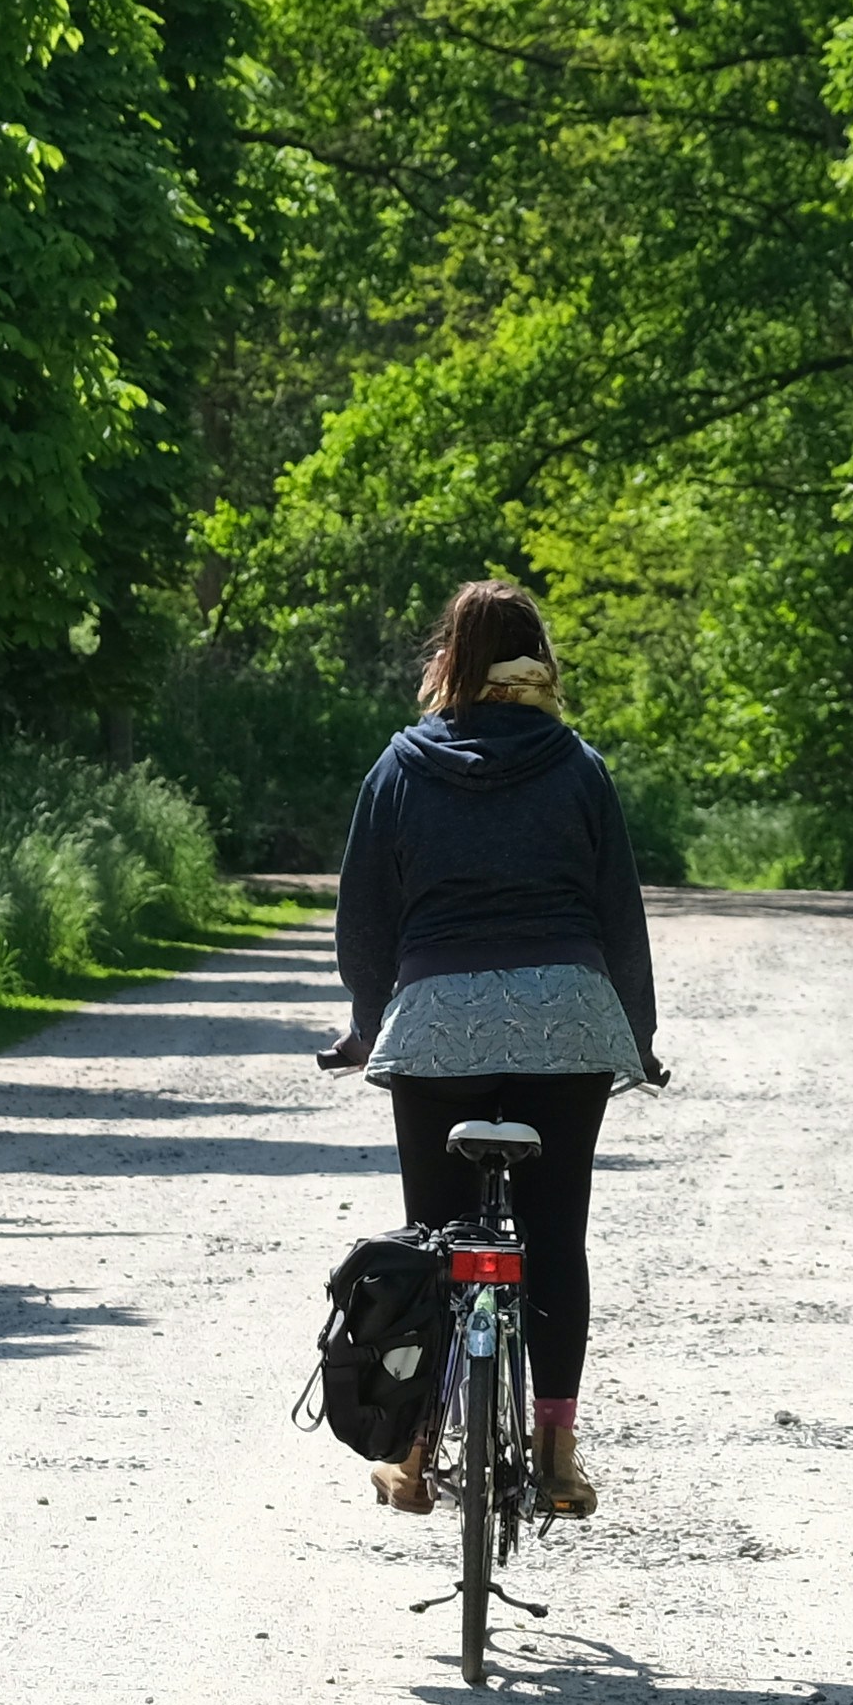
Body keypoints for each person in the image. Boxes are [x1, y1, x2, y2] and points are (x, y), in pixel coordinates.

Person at [322, 575, 662, 1519]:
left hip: (434, 1030)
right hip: (569, 1023)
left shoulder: (398, 766)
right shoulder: (578, 765)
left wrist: (365, 1018)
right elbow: (618, 914)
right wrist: (638, 1033)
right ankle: (555, 1453)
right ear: (538, 659)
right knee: (555, 1238)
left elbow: (366, 918)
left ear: (451, 662)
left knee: (434, 1240)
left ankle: (416, 1448)